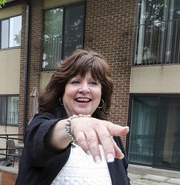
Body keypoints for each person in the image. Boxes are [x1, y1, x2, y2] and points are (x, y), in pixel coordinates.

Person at [16, 49, 130, 185]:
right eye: (76, 82)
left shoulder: (109, 135)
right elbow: (39, 141)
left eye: (93, 83)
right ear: (61, 91)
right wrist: (72, 126)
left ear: (101, 93)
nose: (85, 89)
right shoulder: (41, 123)